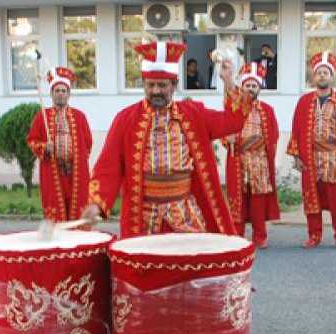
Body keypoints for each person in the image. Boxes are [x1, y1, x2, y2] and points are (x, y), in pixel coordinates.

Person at [82, 41, 252, 238]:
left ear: (174, 85)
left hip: (185, 214)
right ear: (144, 84)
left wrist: (229, 81)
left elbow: (234, 122)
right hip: (142, 218)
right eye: (150, 85)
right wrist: (96, 203)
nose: (156, 91)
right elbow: (108, 167)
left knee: (193, 257)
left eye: (162, 85)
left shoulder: (194, 114)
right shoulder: (126, 119)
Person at [287, 52, 336, 250]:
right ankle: (314, 235)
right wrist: (296, 156)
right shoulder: (304, 101)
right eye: (319, 72)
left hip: (334, 157)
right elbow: (296, 128)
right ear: (314, 76)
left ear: (332, 76)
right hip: (310, 157)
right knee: (311, 197)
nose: (322, 75)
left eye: (326, 72)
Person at [221, 62, 280, 249]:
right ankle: (237, 236)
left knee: (258, 199)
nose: (251, 88)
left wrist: (268, 157)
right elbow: (224, 127)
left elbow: (274, 135)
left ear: (259, 88)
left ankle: (260, 236)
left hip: (259, 160)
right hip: (238, 158)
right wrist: (227, 138)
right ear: (242, 86)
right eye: (247, 85)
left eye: (254, 85)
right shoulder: (234, 105)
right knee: (237, 198)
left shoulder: (267, 110)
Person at [26, 66, 93, 222]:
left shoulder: (80, 116)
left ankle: (77, 238)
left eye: (64, 91)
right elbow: (32, 141)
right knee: (56, 213)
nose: (60, 94)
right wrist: (44, 148)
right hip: (53, 172)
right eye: (57, 91)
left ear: (69, 94)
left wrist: (77, 159)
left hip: (75, 173)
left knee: (77, 213)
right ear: (51, 94)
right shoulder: (42, 116)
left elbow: (88, 142)